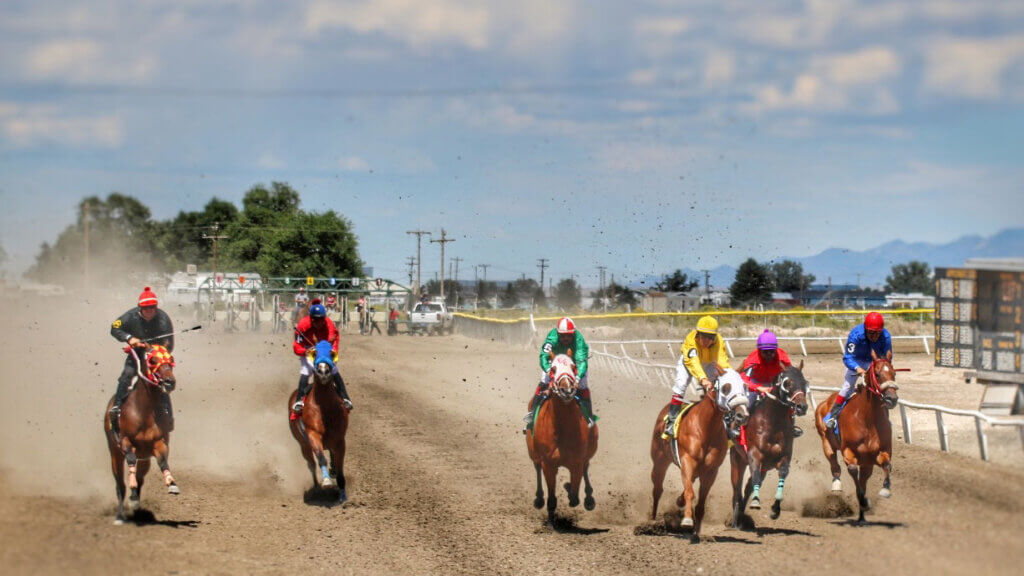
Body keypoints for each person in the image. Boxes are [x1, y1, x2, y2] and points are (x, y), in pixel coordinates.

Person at [109, 286, 175, 422]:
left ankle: (168, 415)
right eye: (146, 308)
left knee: (165, 380)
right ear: (140, 308)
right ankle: (117, 407)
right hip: (137, 355)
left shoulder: (163, 319)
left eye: (153, 308)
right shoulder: (129, 316)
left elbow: (170, 344)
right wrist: (129, 338)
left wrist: (154, 350)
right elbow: (114, 328)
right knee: (126, 376)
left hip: (156, 358)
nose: (150, 311)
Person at [663, 315, 731, 439]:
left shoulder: (719, 341)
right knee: (681, 384)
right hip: (688, 362)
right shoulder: (691, 339)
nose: (705, 341)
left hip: (709, 363)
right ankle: (671, 421)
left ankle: (726, 419)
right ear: (697, 334)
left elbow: (722, 362)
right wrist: (703, 379)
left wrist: (726, 376)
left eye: (709, 338)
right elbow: (693, 362)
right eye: (702, 336)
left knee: (720, 384)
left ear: (715, 337)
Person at [823, 312, 893, 430]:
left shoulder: (886, 336)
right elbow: (847, 357)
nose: (875, 336)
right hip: (856, 361)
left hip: (874, 362)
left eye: (877, 333)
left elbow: (887, 357)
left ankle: (884, 416)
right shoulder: (856, 334)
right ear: (865, 329)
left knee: (883, 385)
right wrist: (858, 369)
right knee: (847, 387)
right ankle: (833, 416)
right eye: (871, 332)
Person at [524, 317, 595, 431]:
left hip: (573, 363)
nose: (566, 338)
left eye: (569, 335)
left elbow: (581, 362)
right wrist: (549, 371)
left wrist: (576, 379)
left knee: (582, 386)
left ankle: (589, 417)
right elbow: (544, 356)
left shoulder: (579, 340)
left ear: (573, 333)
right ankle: (532, 414)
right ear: (558, 333)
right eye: (562, 335)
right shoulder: (552, 338)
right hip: (555, 363)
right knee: (544, 382)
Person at [292, 300, 353, 413]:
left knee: (334, 370)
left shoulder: (330, 325)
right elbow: (296, 346)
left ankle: (345, 398)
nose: (318, 323)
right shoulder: (302, 326)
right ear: (311, 319)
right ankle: (299, 400)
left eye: (321, 320)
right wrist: (304, 351)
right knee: (306, 370)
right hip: (308, 352)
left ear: (324, 318)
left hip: (325, 352)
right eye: (315, 320)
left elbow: (334, 340)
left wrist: (333, 351)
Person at [739, 329, 802, 437]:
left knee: (789, 402)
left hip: (774, 383)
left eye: (772, 352)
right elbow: (744, 380)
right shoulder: (752, 360)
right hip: (756, 383)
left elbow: (790, 374)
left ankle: (791, 426)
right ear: (759, 351)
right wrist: (758, 388)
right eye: (765, 352)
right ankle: (740, 429)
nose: (769, 355)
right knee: (748, 403)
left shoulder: (782, 357)